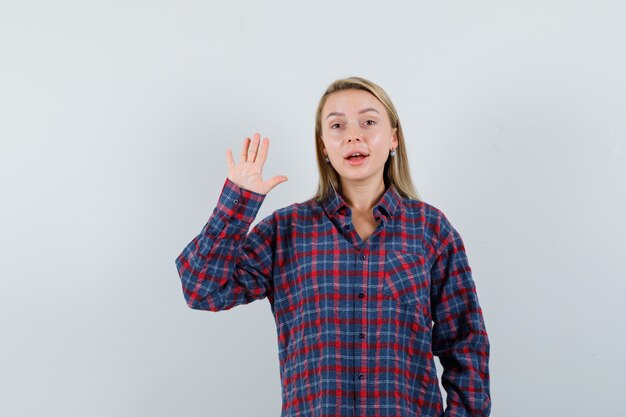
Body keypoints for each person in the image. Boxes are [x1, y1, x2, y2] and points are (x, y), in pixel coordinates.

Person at [175, 76, 491, 416]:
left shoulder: (430, 230)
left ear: (394, 137)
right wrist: (239, 200)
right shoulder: (287, 230)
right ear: (324, 146)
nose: (353, 134)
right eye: (337, 125)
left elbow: (465, 345)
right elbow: (201, 289)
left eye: (369, 122)